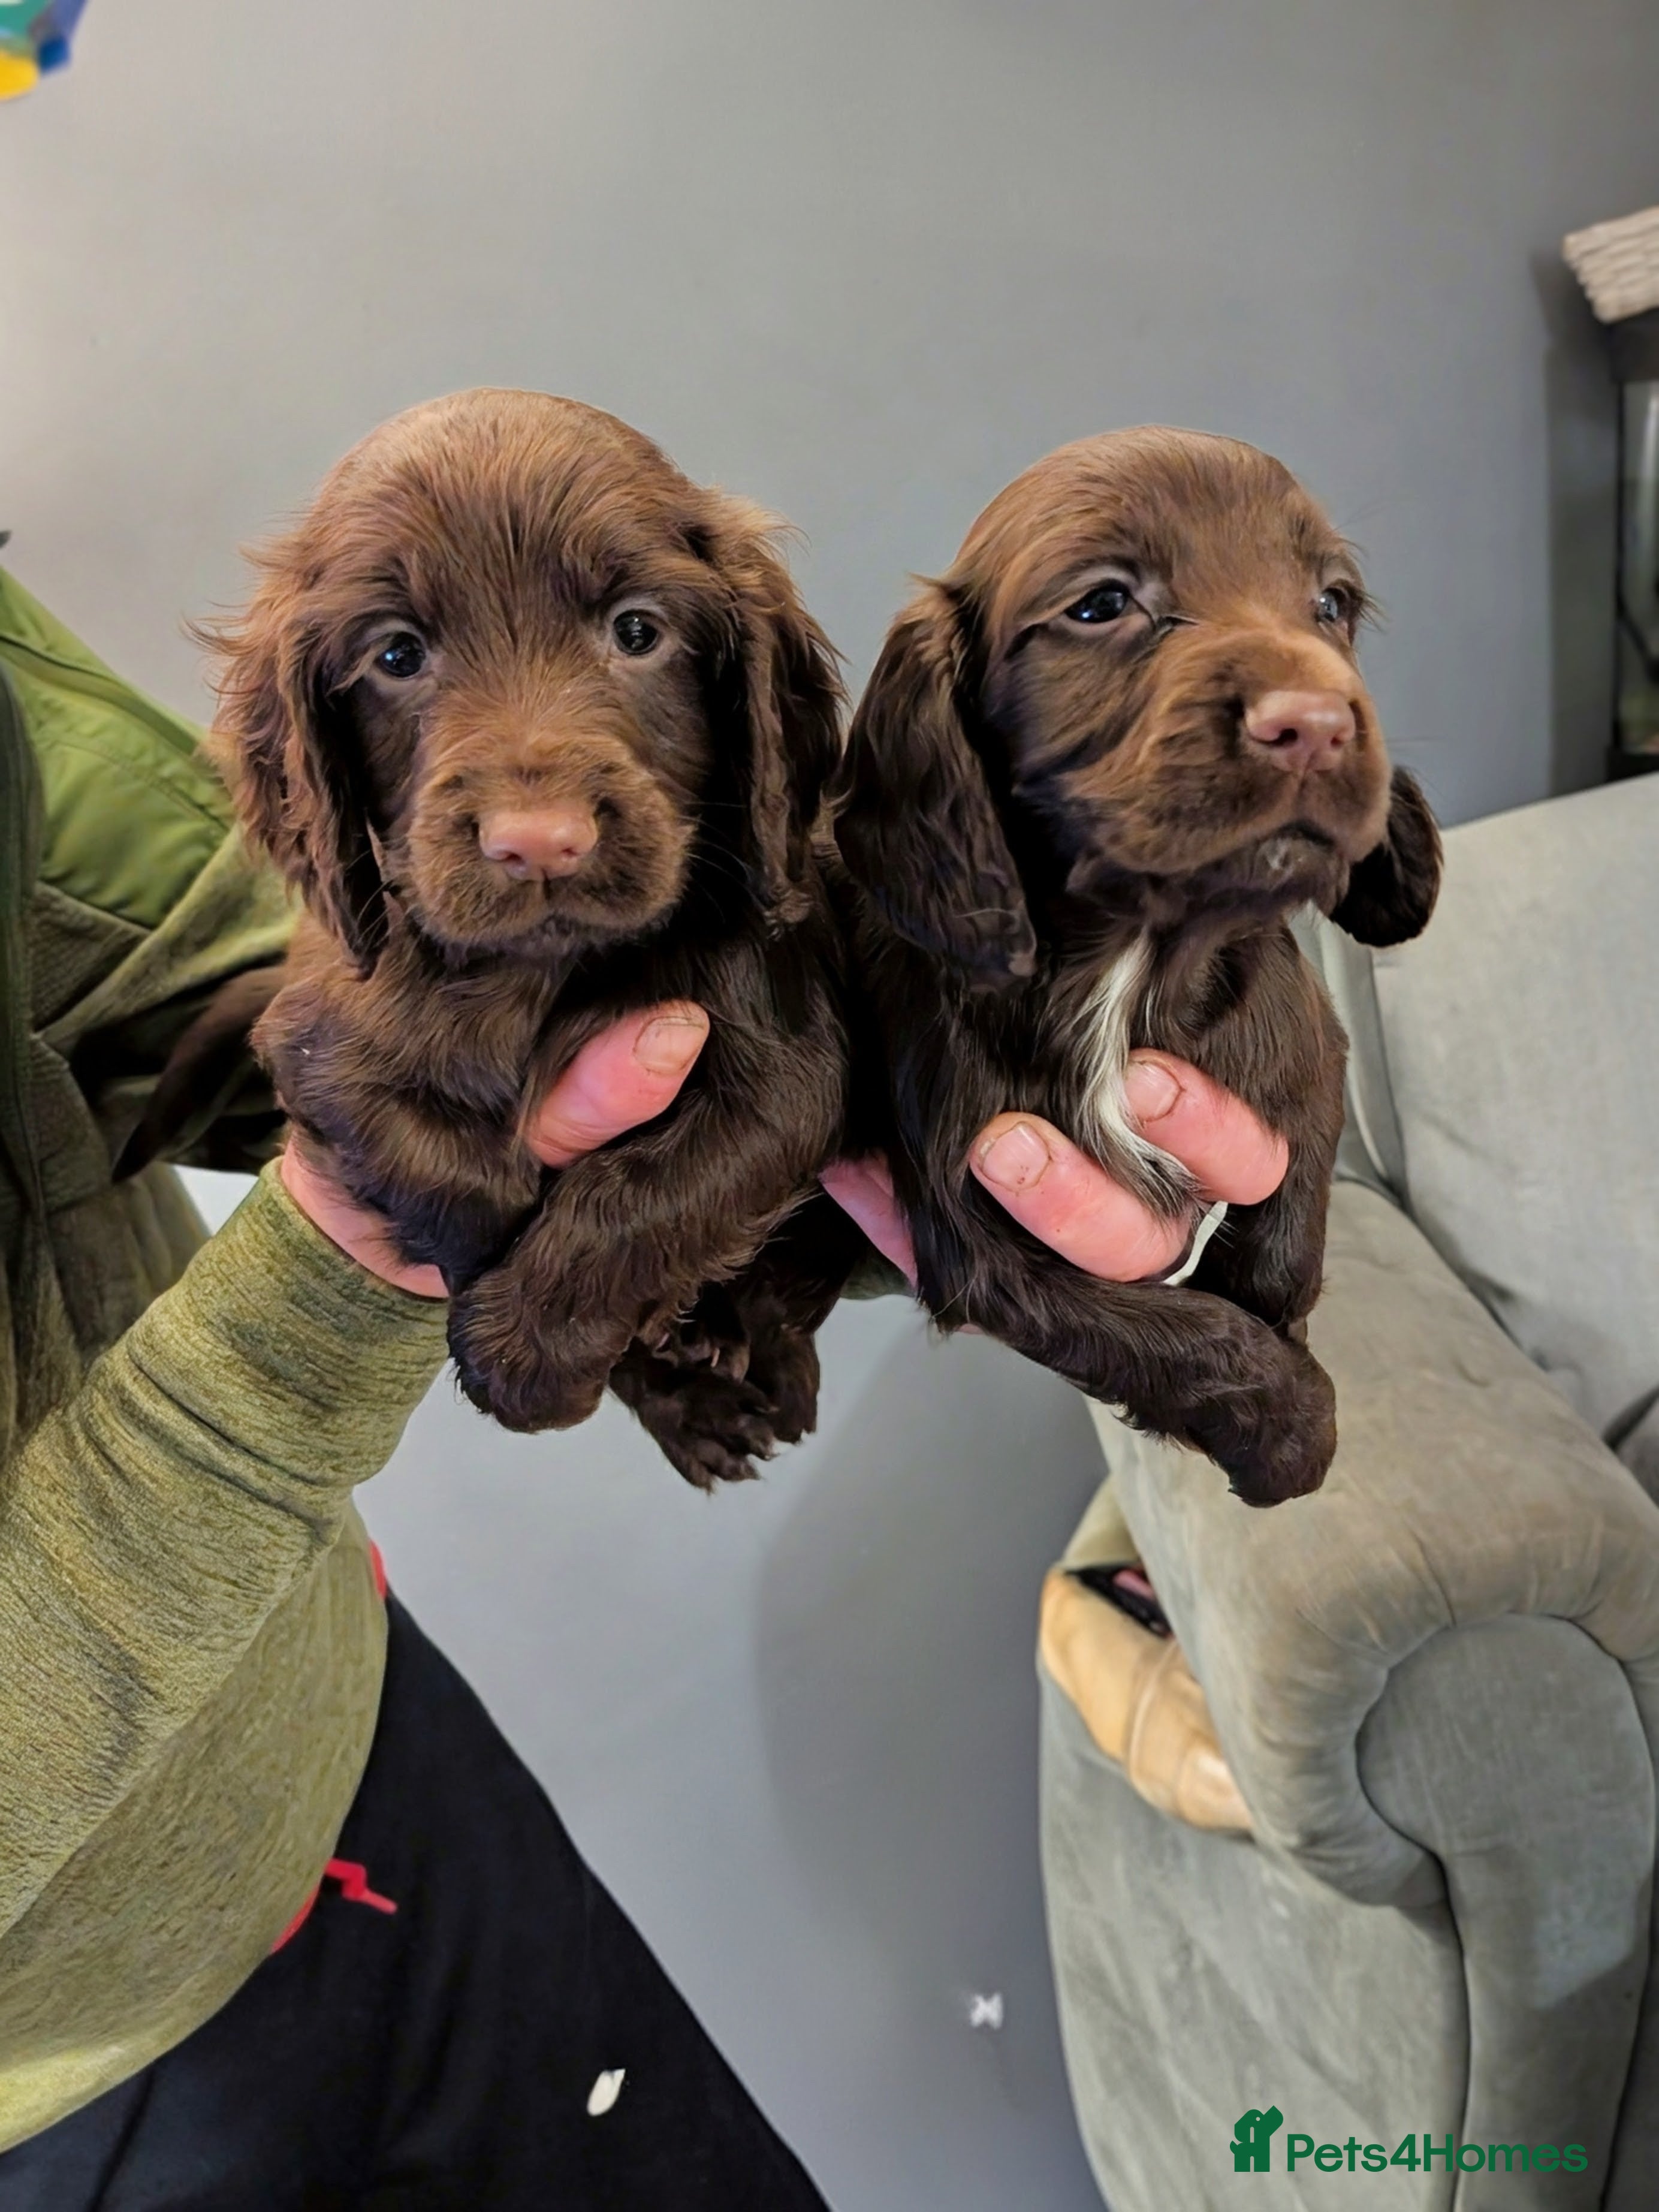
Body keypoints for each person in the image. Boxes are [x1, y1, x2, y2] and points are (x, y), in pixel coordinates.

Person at [0, 569, 1282, 2206]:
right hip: (82, 2108)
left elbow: (210, 962)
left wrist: (922, 1110)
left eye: (634, 630)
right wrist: (343, 1293)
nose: (537, 807)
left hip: (347, 1737)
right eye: (402, 653)